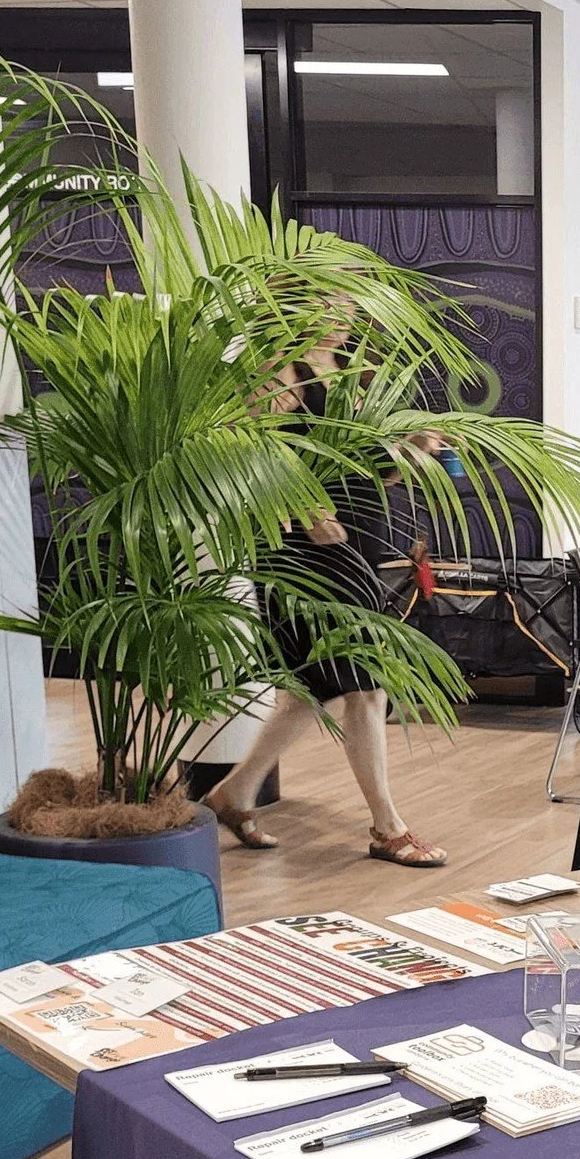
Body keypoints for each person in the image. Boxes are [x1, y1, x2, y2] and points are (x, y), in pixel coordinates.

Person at [204, 327, 448, 868]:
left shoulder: (352, 367)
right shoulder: (274, 366)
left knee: (311, 690)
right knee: (364, 684)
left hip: (356, 538)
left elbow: (369, 469)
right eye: (333, 295)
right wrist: (305, 504)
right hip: (300, 546)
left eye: (351, 299)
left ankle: (235, 793)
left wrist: (407, 451)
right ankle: (388, 827)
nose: (346, 308)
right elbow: (247, 451)